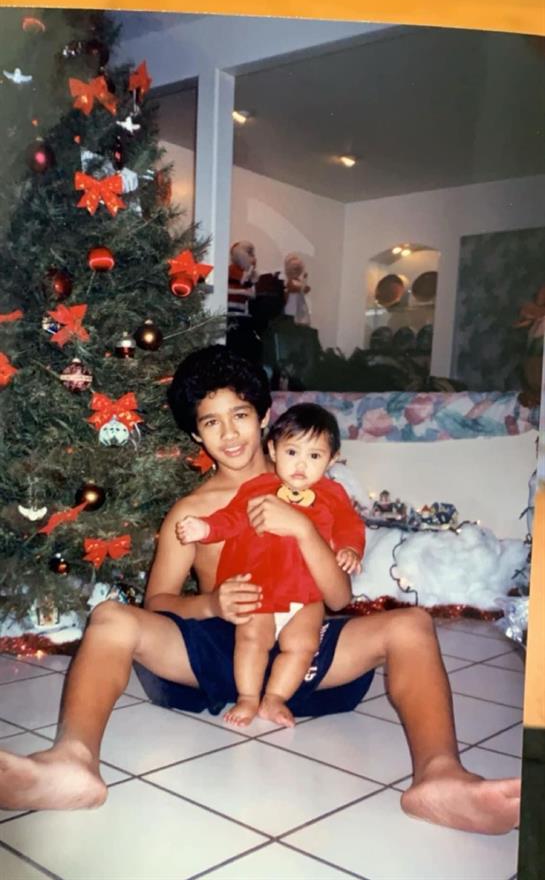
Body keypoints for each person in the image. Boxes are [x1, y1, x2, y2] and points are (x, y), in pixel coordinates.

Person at [0, 345, 520, 835]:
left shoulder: (313, 486)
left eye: (240, 415)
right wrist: (210, 602)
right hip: (221, 648)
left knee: (411, 624)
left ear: (265, 417)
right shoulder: (192, 511)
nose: (229, 433)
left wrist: (302, 530)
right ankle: (71, 762)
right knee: (112, 618)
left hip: (303, 640)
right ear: (196, 436)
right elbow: (156, 603)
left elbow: (340, 599)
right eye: (211, 421)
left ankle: (441, 776)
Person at [176, 403, 364, 728]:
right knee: (251, 640)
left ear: (332, 460)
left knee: (303, 646)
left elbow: (350, 526)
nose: (301, 465)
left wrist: (350, 549)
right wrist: (206, 528)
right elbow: (232, 518)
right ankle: (248, 698)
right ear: (273, 450)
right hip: (259, 586)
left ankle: (275, 698)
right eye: (292, 452)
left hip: (306, 594)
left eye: (315, 456)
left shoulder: (334, 495)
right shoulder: (257, 488)